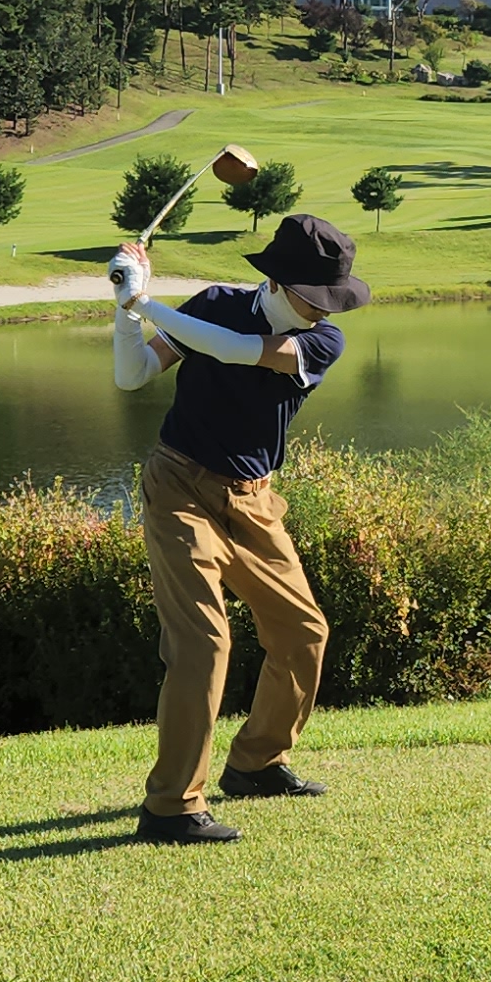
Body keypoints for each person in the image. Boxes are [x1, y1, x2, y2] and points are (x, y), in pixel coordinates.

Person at [108, 211, 370, 843]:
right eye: (313, 296)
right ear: (276, 282)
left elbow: (234, 350)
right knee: (203, 644)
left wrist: (145, 302)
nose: (323, 309)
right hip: (179, 487)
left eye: (331, 298)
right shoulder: (215, 305)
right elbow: (132, 375)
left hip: (254, 501)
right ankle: (172, 808)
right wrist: (124, 310)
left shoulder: (321, 341)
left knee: (303, 632)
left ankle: (256, 762)